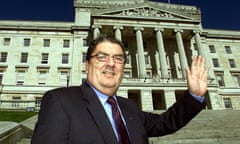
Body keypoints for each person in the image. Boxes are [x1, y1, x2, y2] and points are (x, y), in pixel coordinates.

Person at [31, 35, 209, 144]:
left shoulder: (128, 107)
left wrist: (195, 95)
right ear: (87, 65)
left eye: (118, 59)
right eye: (101, 57)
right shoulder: (61, 101)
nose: (110, 64)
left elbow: (166, 122)